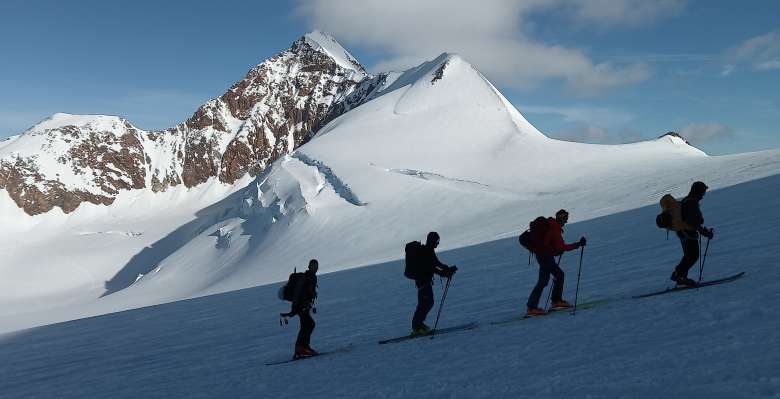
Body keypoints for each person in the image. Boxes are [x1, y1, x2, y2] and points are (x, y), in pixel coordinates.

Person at [526, 209, 586, 316]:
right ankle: (554, 302)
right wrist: (578, 244)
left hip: (542, 255)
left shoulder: (551, 225)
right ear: (560, 218)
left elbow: (550, 245)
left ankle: (534, 307)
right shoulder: (554, 228)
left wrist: (556, 251)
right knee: (558, 275)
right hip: (545, 256)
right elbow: (561, 247)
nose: (566, 221)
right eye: (565, 218)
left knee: (545, 280)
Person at [411, 232, 457, 336]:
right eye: (437, 241)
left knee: (426, 303)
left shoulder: (429, 250)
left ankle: (418, 325)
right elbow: (432, 268)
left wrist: (447, 269)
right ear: (432, 241)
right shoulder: (426, 251)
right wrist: (444, 273)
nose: (438, 243)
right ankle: (416, 328)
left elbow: (436, 263)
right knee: (426, 303)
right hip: (423, 282)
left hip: (424, 282)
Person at [670, 181, 714, 287]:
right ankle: (679, 276)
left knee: (689, 255)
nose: (703, 195)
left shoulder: (688, 200)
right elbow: (693, 222)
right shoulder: (691, 203)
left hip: (683, 232)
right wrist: (705, 232)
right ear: (697, 192)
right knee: (693, 255)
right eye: (703, 192)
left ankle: (680, 276)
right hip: (687, 233)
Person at [290, 259, 319, 359]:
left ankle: (303, 347)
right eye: (313, 266)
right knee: (308, 324)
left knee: (307, 325)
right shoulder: (305, 277)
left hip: (305, 306)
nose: (315, 268)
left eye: (316, 266)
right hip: (300, 306)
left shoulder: (312, 277)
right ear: (309, 266)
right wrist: (295, 307)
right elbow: (297, 292)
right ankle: (301, 348)